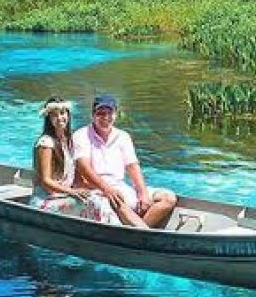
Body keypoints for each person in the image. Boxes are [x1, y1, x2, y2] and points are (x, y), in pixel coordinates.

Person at [72, 94, 177, 229]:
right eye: (100, 113)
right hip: (96, 189)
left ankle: (138, 231)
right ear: (93, 115)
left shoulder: (123, 137)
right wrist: (107, 189)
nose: (105, 117)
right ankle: (143, 233)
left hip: (120, 186)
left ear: (116, 114)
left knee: (168, 198)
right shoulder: (81, 135)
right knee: (117, 200)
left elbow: (132, 166)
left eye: (110, 113)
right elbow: (84, 168)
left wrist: (143, 193)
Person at [28, 97, 130, 224]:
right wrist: (73, 192)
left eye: (63, 113)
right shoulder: (46, 143)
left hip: (64, 195)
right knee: (96, 203)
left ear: (68, 115)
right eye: (54, 115)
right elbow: (46, 181)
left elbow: (76, 180)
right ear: (49, 118)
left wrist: (100, 190)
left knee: (101, 198)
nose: (60, 118)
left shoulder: (68, 141)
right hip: (46, 201)